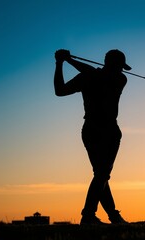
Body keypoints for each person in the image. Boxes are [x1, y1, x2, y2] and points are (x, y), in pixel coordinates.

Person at [53, 49, 130, 224]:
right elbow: (60, 90)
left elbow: (99, 76)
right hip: (95, 129)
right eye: (119, 66)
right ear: (112, 64)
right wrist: (59, 64)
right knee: (102, 174)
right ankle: (89, 215)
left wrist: (68, 60)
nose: (122, 70)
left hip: (108, 129)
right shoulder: (89, 76)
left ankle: (112, 215)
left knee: (101, 174)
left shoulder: (119, 79)